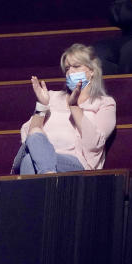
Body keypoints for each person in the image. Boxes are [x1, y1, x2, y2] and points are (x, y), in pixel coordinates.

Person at [11, 44, 116, 175]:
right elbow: (28, 137)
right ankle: (49, 176)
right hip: (37, 156)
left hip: (73, 162)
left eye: (76, 66)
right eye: (67, 68)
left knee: (28, 162)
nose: (70, 72)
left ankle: (47, 177)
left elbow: (94, 144)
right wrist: (42, 106)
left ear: (92, 71)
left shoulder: (104, 103)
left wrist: (74, 107)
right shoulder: (52, 97)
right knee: (35, 135)